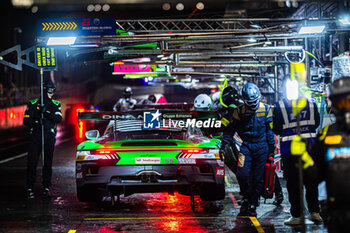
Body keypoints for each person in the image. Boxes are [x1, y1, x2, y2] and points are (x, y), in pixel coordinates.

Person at [291, 77, 350, 232]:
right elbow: (314, 176)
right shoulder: (326, 135)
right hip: (337, 214)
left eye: (349, 102)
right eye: (341, 102)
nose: (346, 108)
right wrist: (303, 159)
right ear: (334, 105)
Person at [220, 82, 275, 217]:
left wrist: (271, 150)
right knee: (242, 174)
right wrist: (223, 146)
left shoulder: (266, 109)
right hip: (246, 147)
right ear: (244, 100)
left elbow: (270, 132)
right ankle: (245, 197)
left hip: (262, 147)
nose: (252, 104)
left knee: (258, 177)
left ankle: (253, 203)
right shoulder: (238, 112)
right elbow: (229, 131)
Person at [273, 78, 322, 225]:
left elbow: (276, 129)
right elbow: (317, 122)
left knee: (294, 185)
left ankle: (297, 215)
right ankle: (315, 212)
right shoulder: (312, 104)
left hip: (290, 152)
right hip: (310, 149)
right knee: (311, 182)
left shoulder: (280, 106)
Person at [23, 80, 62, 199]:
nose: (52, 93)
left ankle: (46, 186)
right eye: (50, 90)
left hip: (48, 137)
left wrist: (47, 113)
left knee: (47, 162)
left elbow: (58, 118)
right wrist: (36, 122)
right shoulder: (33, 103)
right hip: (36, 136)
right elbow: (26, 120)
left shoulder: (55, 104)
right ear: (45, 90)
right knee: (32, 162)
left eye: (54, 90)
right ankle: (30, 187)